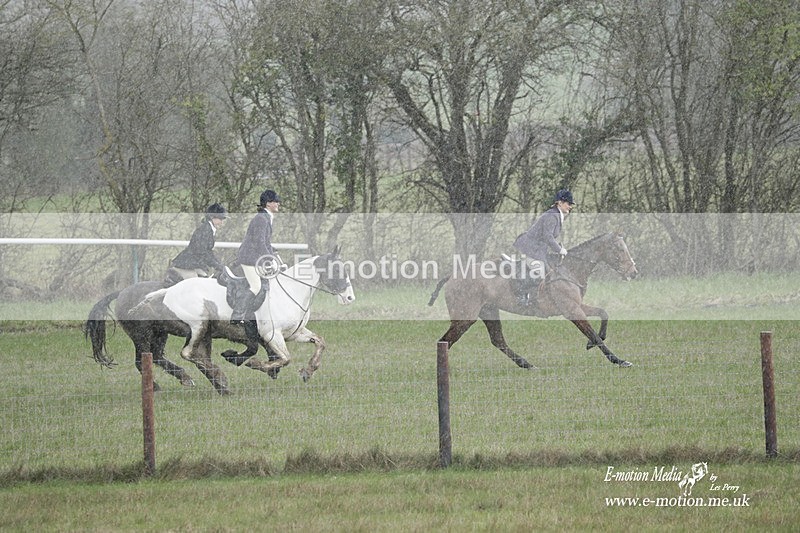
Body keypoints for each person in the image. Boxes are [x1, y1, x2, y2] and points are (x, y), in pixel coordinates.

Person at [512, 189, 576, 306]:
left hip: (538, 249)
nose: (570, 207)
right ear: (560, 203)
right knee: (539, 271)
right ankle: (521, 294)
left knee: (549, 270)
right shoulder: (552, 215)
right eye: (568, 203)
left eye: (571, 204)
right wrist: (559, 249)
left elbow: (548, 238)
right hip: (530, 248)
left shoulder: (556, 215)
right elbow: (548, 237)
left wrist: (559, 248)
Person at [230, 189, 282, 325]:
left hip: (255, 257)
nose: (278, 204)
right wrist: (269, 259)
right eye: (276, 201)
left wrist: (273, 254)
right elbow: (259, 243)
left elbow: (266, 242)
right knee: (256, 286)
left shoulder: (266, 218)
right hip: (249, 258)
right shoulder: (261, 219)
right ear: (268, 204)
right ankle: (237, 315)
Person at [165, 203, 228, 285]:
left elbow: (208, 252)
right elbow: (202, 252)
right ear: (212, 217)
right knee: (195, 285)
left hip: (193, 264)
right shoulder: (205, 230)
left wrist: (219, 265)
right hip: (186, 265)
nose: (222, 222)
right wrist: (217, 266)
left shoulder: (209, 229)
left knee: (206, 279)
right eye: (220, 219)